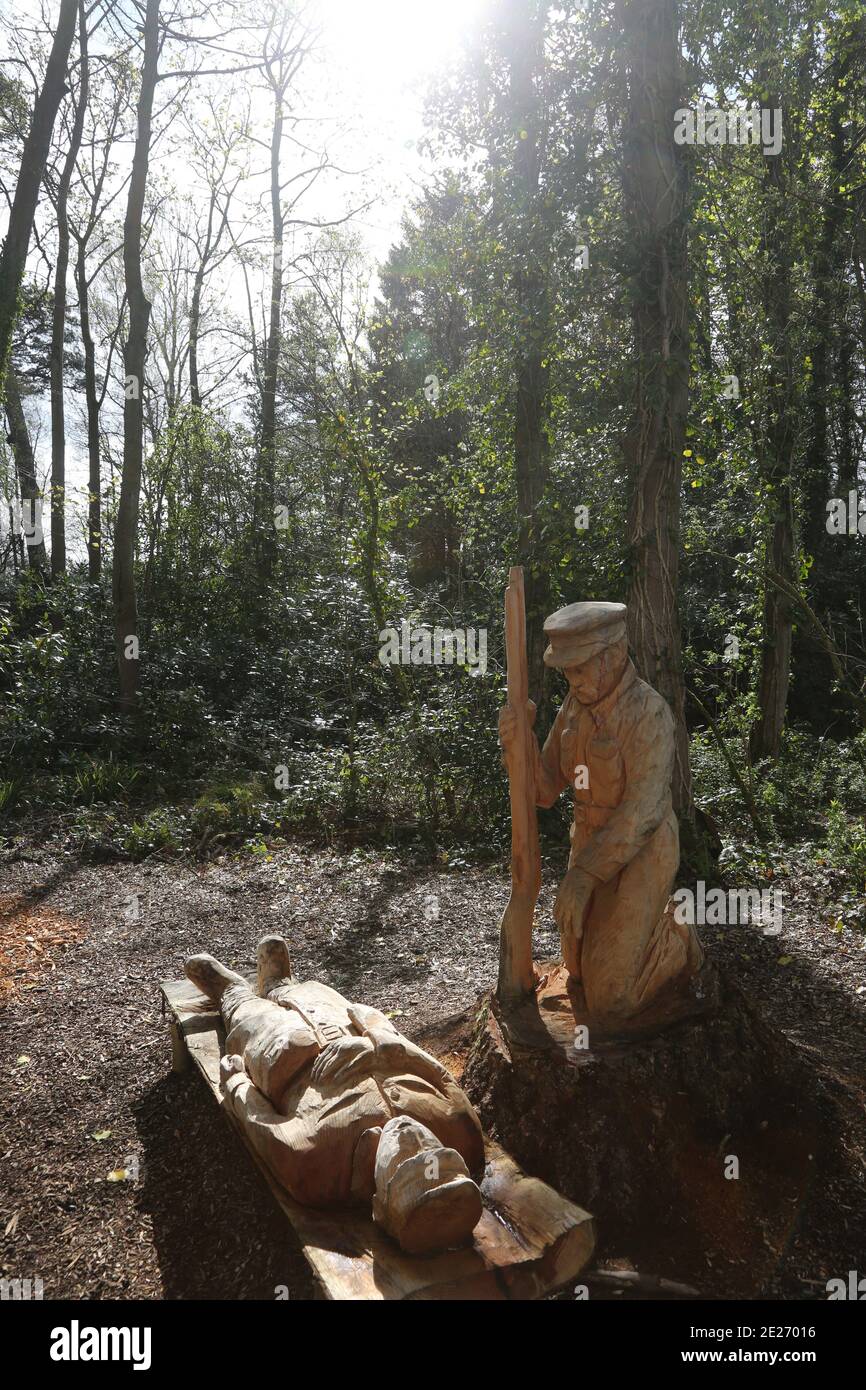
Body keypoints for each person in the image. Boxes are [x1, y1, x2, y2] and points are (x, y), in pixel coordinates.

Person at [185, 935, 484, 1254]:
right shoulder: (464, 1135)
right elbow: (440, 1074)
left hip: (288, 1059)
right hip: (353, 1032)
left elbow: (261, 1124)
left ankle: (231, 993)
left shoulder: (316, 1171)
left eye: (406, 1159)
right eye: (438, 1152)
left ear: (379, 1203)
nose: (415, 1137)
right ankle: (279, 984)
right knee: (318, 1001)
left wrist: (236, 1083)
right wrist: (383, 1046)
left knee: (252, 1019)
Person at [498, 600, 703, 1025]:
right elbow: (543, 790)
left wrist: (583, 875)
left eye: (579, 669)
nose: (572, 681)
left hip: (642, 851)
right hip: (589, 843)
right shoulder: (573, 711)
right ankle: (626, 940)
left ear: (611, 656)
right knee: (575, 970)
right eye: (566, 671)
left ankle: (677, 938)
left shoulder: (648, 713)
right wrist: (519, 746)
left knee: (612, 999)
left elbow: (644, 810)